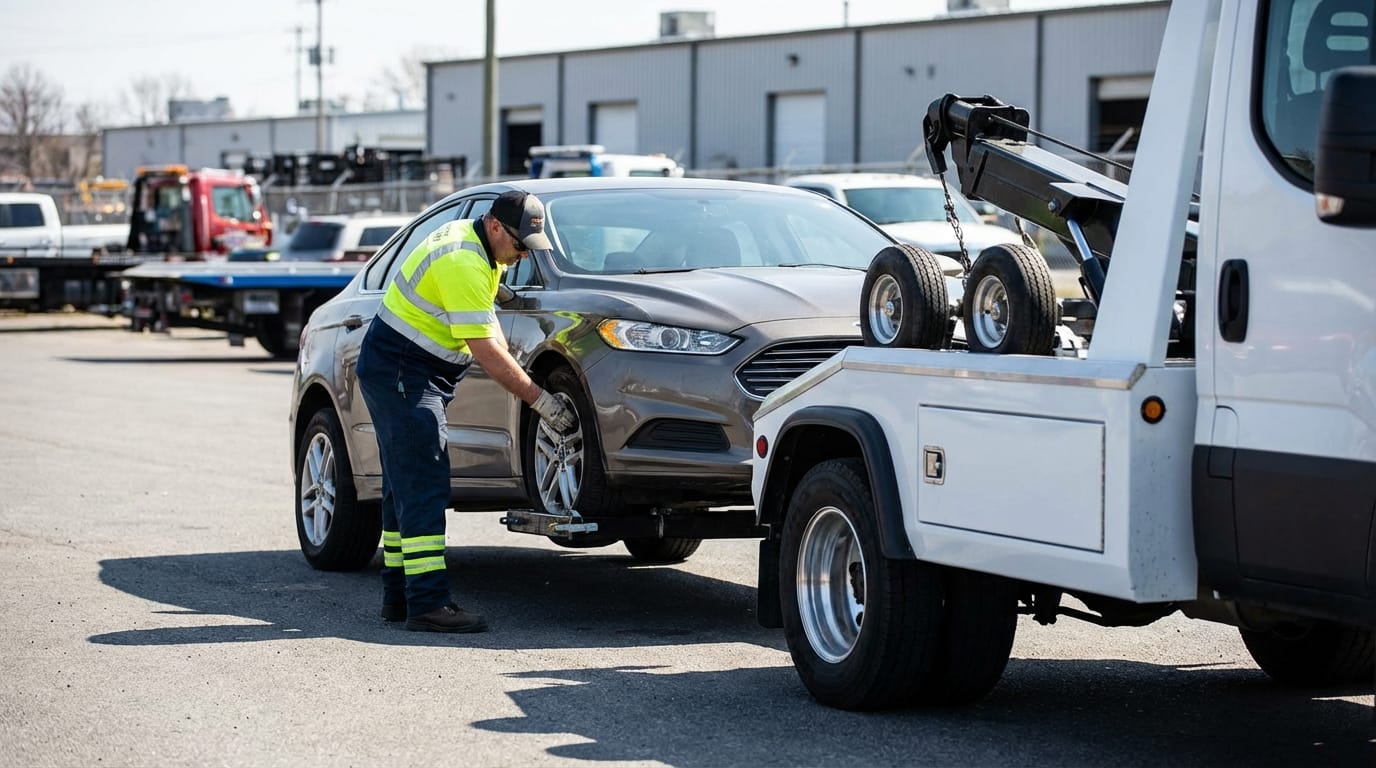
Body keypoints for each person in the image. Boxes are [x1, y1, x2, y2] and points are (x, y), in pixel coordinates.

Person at [355, 189, 576, 634]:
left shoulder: (477, 245)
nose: (519, 257)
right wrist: (542, 401)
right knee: (424, 483)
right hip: (405, 373)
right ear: (495, 227)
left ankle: (399, 598)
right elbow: (488, 352)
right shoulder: (463, 261)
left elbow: (485, 289)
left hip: (400, 369)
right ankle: (428, 604)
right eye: (518, 247)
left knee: (404, 485)